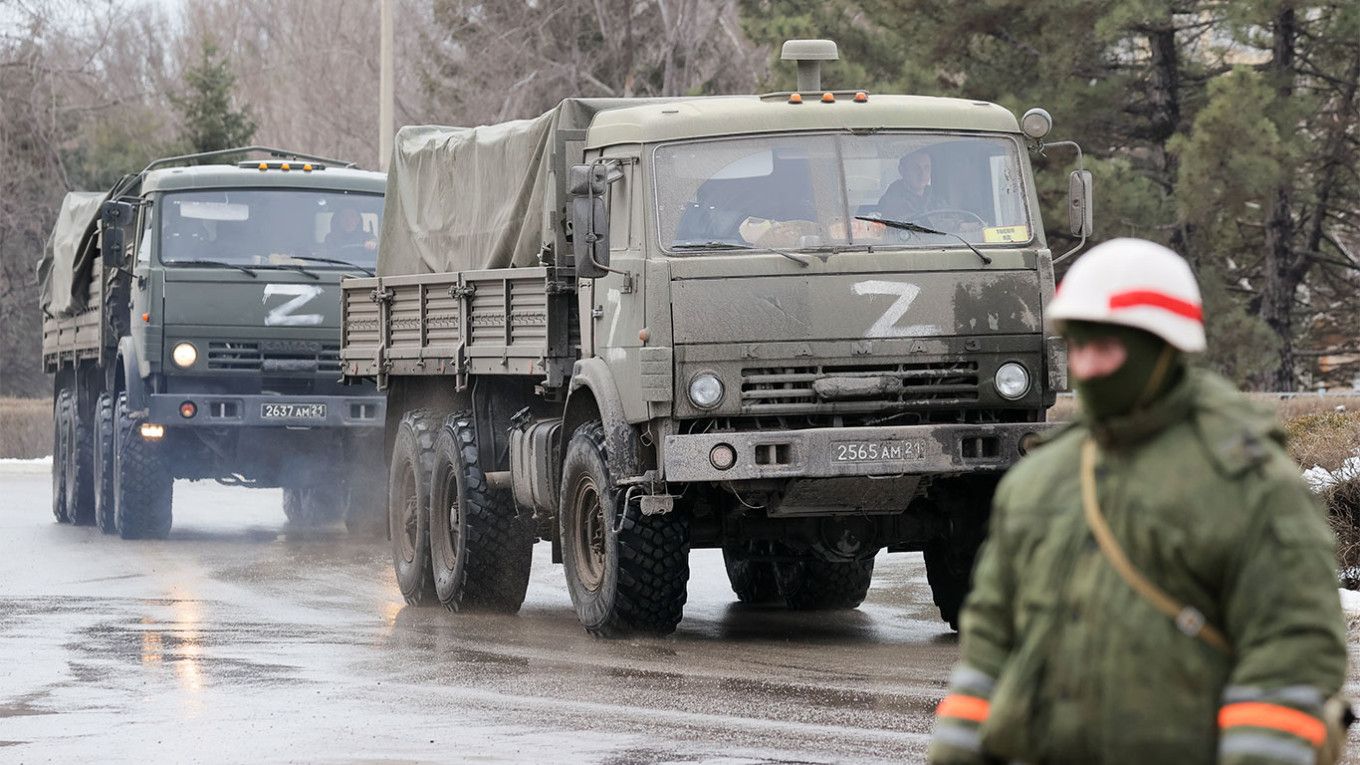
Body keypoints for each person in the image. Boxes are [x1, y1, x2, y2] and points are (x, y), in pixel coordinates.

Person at [928, 238, 1347, 765]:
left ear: (1164, 348)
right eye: (1078, 348)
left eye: (1106, 349)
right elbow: (991, 640)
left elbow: (1290, 652)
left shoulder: (1249, 481)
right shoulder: (1038, 482)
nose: (1088, 367)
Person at [878, 149, 933, 220]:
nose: (922, 173)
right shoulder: (890, 201)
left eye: (926, 168)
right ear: (902, 170)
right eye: (915, 168)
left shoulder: (937, 197)